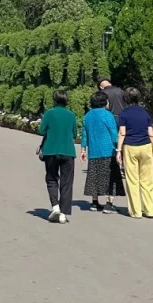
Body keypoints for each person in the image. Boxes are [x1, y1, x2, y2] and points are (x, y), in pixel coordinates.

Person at [38, 90, 79, 223]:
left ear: (54, 100)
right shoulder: (71, 115)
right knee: (67, 182)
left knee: (51, 179)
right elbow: (74, 134)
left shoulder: (49, 113)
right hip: (68, 151)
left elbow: (41, 130)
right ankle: (63, 213)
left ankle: (55, 206)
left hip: (51, 150)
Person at [116, 88, 153, 218]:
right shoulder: (145, 113)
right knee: (147, 180)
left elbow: (122, 133)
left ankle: (136, 211)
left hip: (130, 146)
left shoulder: (124, 114)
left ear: (125, 99)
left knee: (132, 180)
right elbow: (151, 133)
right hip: (146, 146)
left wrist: (118, 150)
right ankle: (150, 210)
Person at [80, 91, 119, 211]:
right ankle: (109, 204)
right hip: (108, 150)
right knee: (111, 177)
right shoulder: (107, 115)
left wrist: (83, 150)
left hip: (93, 151)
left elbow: (84, 134)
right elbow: (114, 133)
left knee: (94, 176)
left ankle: (94, 202)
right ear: (104, 102)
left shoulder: (87, 116)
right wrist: (119, 148)